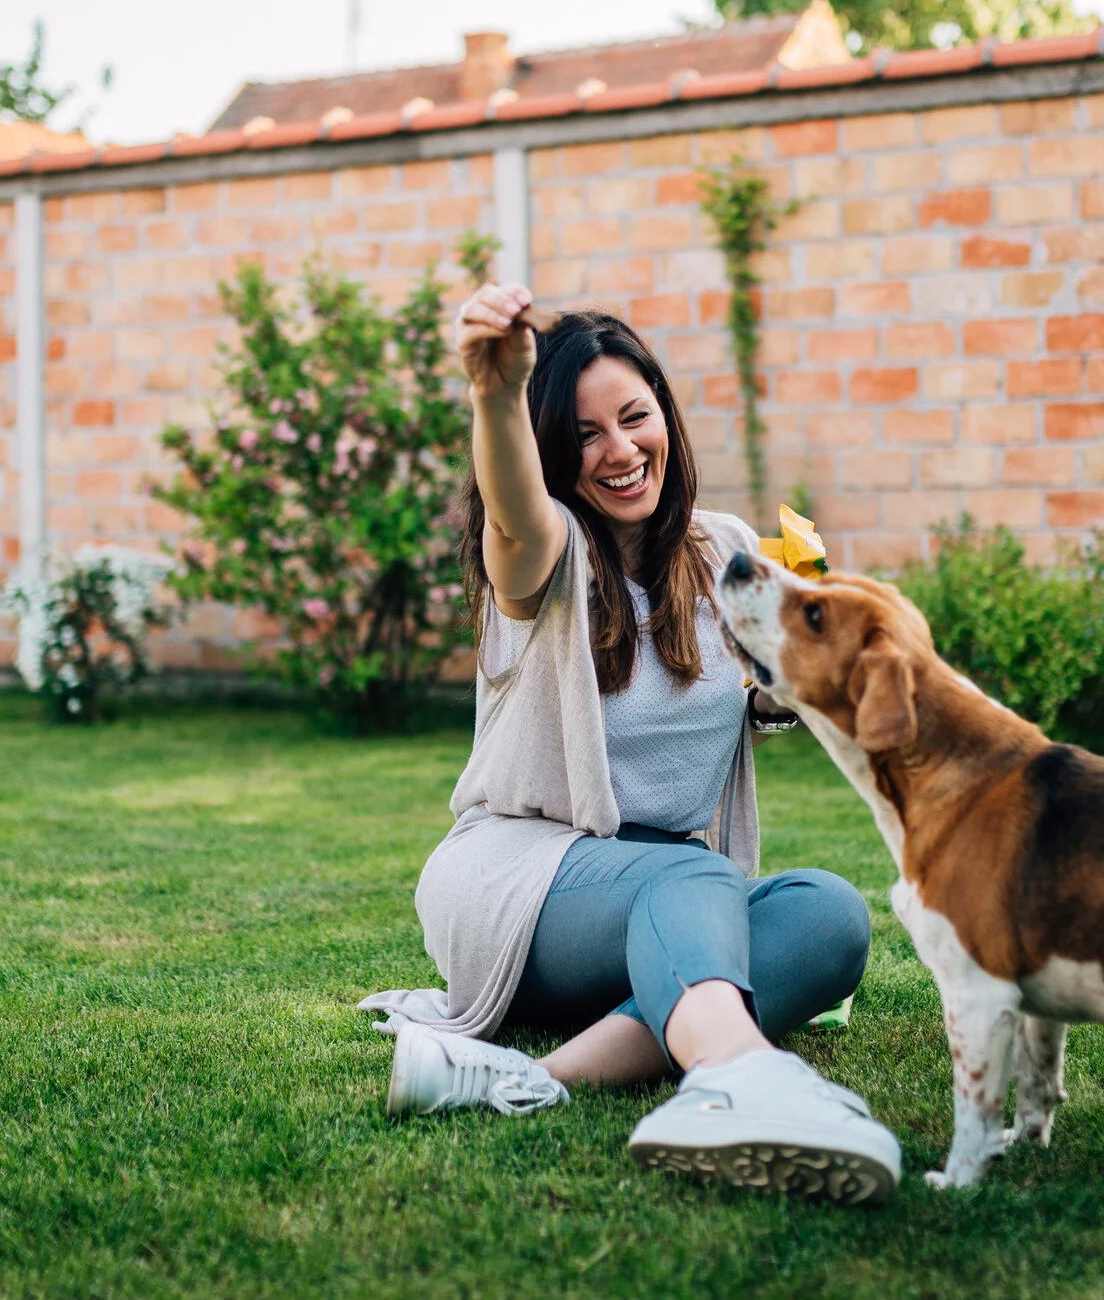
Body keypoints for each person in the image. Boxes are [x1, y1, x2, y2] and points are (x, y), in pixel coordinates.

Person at [358, 284, 900, 1201]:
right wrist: (495, 396)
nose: (619, 450)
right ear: (548, 454)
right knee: (698, 877)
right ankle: (739, 1076)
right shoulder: (551, 553)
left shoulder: (721, 547)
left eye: (634, 417)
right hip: (519, 886)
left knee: (831, 914)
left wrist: (797, 675)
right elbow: (513, 520)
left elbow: (779, 692)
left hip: (654, 904)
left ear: (666, 418)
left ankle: (531, 1078)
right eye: (582, 434)